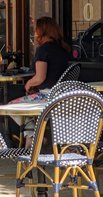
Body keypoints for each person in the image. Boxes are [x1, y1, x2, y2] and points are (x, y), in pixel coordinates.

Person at [8, 17, 71, 147]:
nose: (34, 32)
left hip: (48, 97)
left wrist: (29, 84)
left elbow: (40, 78)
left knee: (12, 107)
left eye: (35, 29)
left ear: (41, 31)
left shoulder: (43, 50)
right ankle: (35, 135)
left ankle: (33, 134)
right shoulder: (64, 49)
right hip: (64, 96)